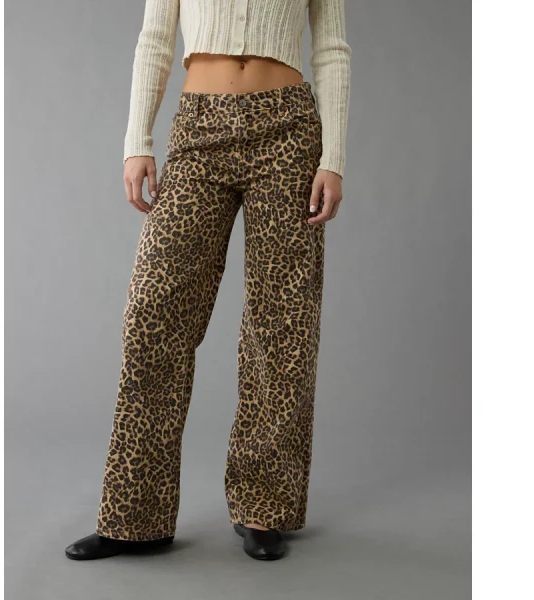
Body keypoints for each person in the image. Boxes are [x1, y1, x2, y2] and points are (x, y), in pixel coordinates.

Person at [65, 0, 351, 562]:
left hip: (289, 132)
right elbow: (155, 40)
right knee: (154, 310)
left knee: (283, 322)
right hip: (199, 126)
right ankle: (134, 516)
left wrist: (333, 157)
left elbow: (331, 49)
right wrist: (137, 141)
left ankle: (264, 508)